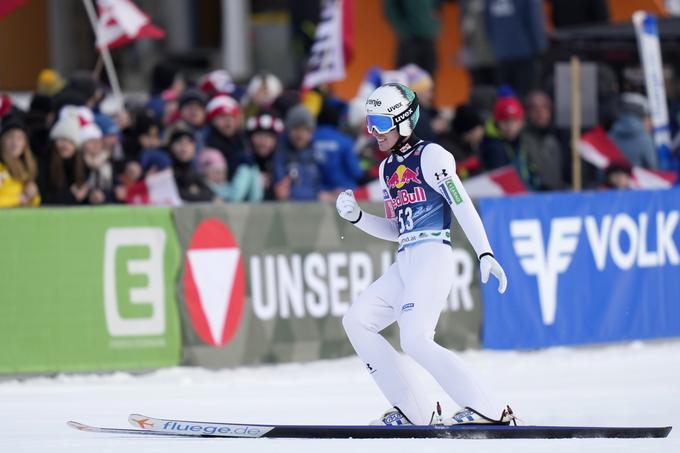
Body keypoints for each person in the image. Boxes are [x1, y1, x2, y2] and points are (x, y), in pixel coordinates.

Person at [336, 83, 513, 426]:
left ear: (403, 123)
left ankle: (489, 408)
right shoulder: (387, 169)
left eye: (380, 123)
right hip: (407, 259)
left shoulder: (432, 156)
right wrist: (357, 218)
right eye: (369, 123)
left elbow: (461, 204)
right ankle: (415, 409)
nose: (373, 132)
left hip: (432, 255)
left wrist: (485, 252)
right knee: (357, 321)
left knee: (415, 339)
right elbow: (395, 229)